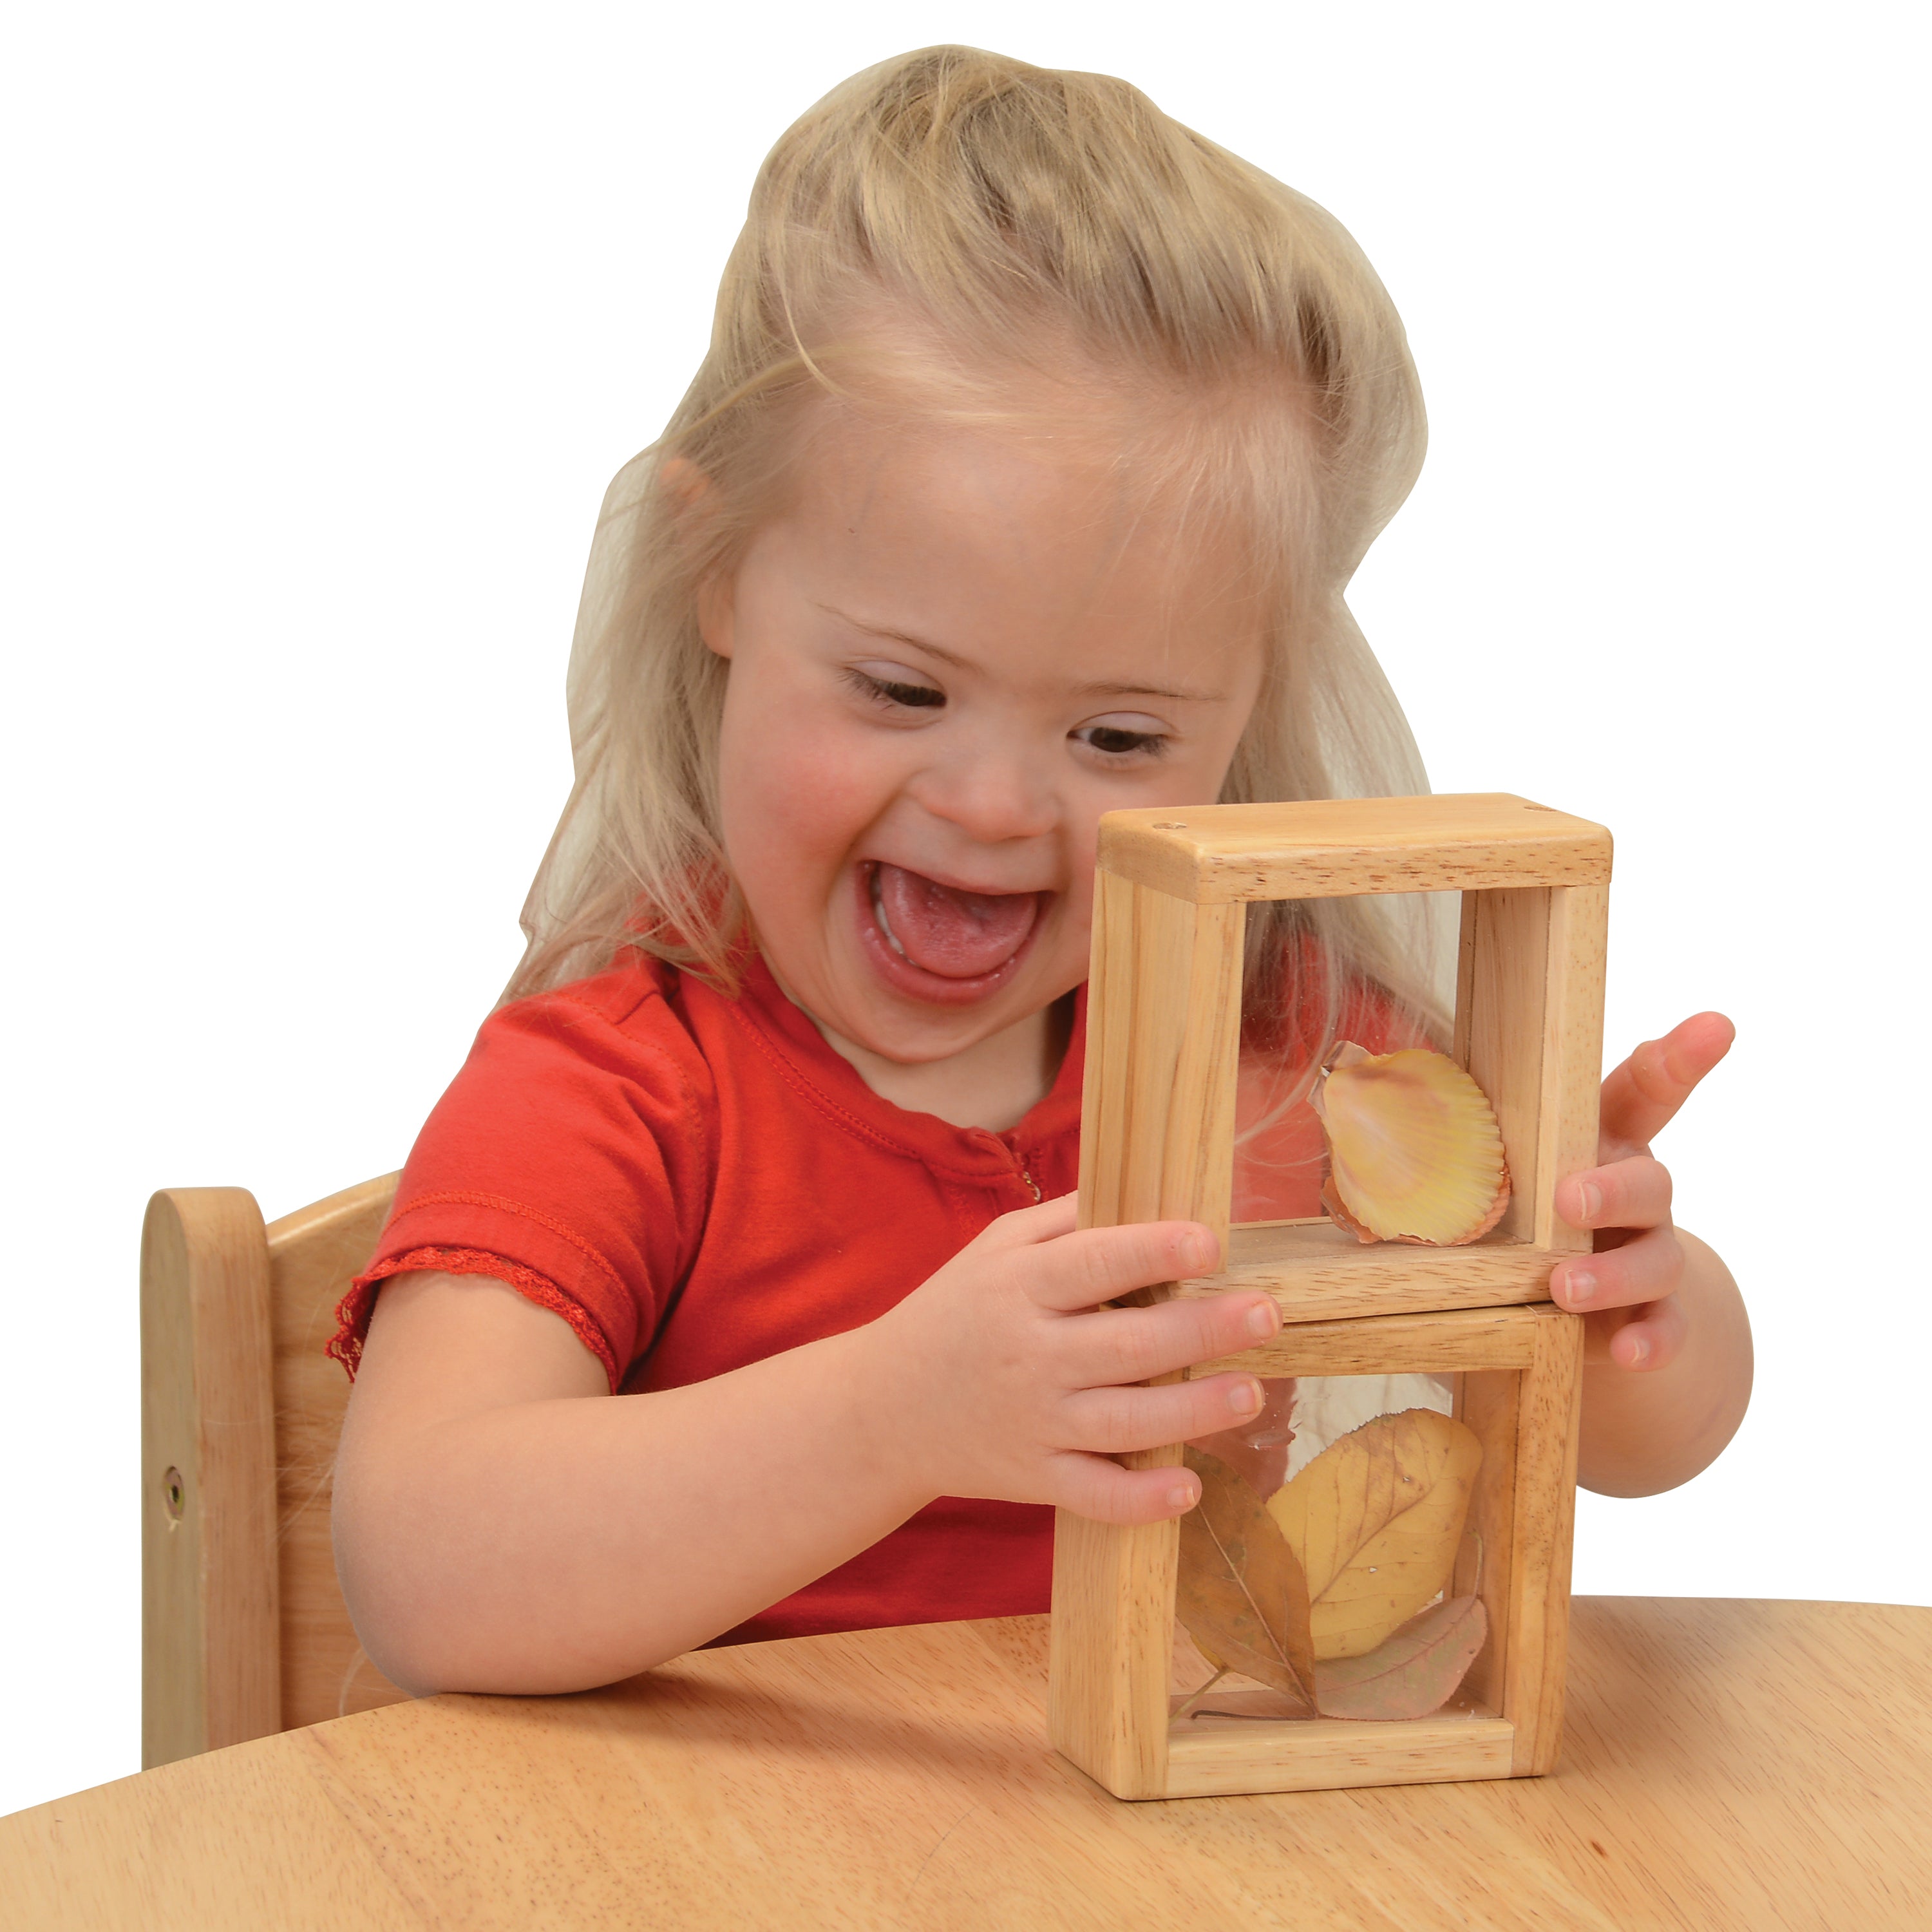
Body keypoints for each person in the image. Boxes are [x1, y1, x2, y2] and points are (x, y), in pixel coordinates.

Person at [329, 46, 1753, 1698]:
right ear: (714, 574)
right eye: (904, 690)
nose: (1000, 806)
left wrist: (1627, 1304)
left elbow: (1648, 1453)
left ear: (1247, 716)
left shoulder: (1301, 1054)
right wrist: (901, 1412)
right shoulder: (627, 1085)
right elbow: (424, 1570)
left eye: (1124, 738)